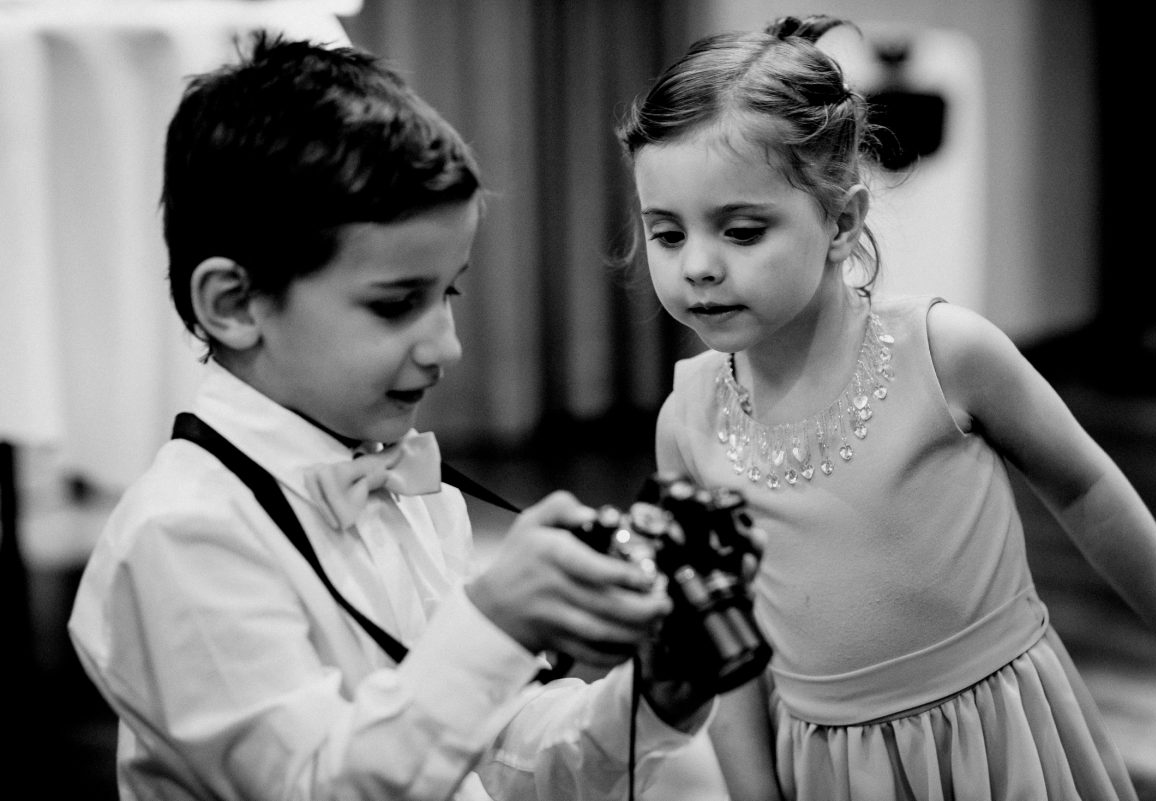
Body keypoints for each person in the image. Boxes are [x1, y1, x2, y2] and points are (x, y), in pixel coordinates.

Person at [67, 32, 719, 801]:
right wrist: (495, 622)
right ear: (236, 304)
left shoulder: (399, 475)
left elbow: (482, 746)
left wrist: (647, 702)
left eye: (449, 293)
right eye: (395, 304)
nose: (448, 345)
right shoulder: (179, 538)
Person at [616, 12, 1156, 800]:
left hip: (999, 738)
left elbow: (1085, 490)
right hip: (832, 771)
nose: (701, 266)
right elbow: (726, 642)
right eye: (667, 234)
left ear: (842, 219)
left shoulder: (949, 351)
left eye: (742, 230)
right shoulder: (686, 422)